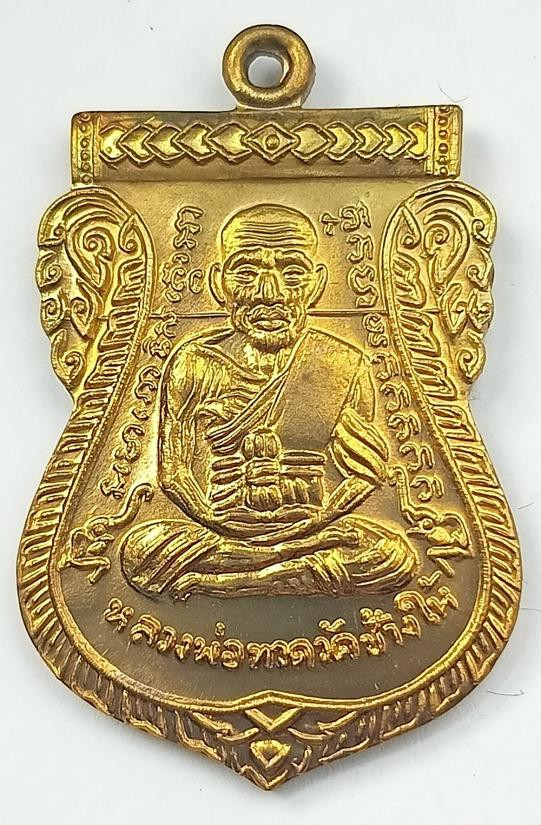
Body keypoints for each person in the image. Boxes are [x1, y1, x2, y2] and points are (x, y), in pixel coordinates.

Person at [120, 204, 419, 599]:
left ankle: (239, 582)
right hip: (221, 530)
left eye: (292, 273)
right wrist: (217, 522)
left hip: (311, 527)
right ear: (219, 283)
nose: (269, 293)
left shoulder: (342, 363)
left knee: (394, 556)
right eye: (246, 273)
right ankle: (283, 567)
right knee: (140, 551)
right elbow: (174, 472)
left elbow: (362, 474)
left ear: (317, 283)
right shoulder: (193, 362)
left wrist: (315, 524)